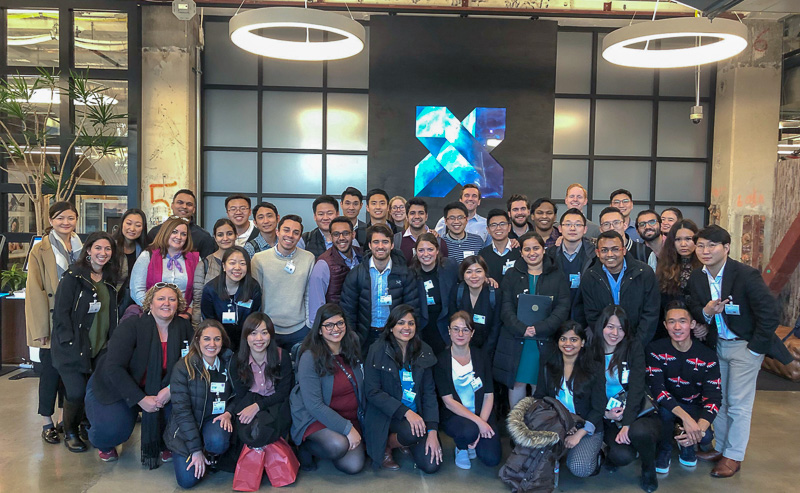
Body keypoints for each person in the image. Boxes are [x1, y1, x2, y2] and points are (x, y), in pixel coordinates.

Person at [687, 225, 792, 478]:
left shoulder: (745, 274)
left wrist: (755, 349)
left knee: (739, 404)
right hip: (717, 346)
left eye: (712, 245)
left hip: (745, 345)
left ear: (726, 248)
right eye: (700, 245)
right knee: (718, 401)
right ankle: (721, 448)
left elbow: (769, 313)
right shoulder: (697, 277)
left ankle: (734, 456)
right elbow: (694, 307)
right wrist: (706, 313)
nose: (705, 250)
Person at [85, 283, 193, 465]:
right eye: (160, 299)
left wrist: (170, 389)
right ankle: (103, 441)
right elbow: (113, 368)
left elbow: (190, 364)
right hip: (117, 387)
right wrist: (141, 399)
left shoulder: (184, 328)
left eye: (172, 299)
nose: (166, 303)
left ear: (178, 304)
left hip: (162, 389)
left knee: (181, 414)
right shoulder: (131, 326)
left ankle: (165, 443)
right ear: (150, 304)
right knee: (114, 429)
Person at [51, 231, 120, 452]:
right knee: (76, 391)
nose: (103, 253)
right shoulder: (74, 277)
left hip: (98, 346)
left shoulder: (109, 277)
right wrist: (68, 341)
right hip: (72, 346)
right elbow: (60, 313)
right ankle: (69, 431)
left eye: (107, 249)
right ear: (88, 250)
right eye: (98, 248)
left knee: (91, 390)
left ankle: (83, 426)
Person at [26, 201, 82, 444]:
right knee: (49, 375)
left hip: (76, 320)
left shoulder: (81, 246)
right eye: (60, 218)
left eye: (70, 218)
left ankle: (64, 419)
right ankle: (47, 422)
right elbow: (34, 291)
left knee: (70, 375)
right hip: (51, 322)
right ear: (51, 221)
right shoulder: (40, 250)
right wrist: (40, 329)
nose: (65, 222)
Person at [495, 232, 571, 408]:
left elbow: (562, 307)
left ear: (543, 249)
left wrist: (540, 328)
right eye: (527, 249)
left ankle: (538, 427)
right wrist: (522, 328)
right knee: (517, 384)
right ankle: (517, 429)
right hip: (518, 339)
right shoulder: (512, 274)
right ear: (521, 252)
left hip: (545, 339)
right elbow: (505, 306)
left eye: (536, 248)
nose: (532, 253)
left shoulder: (557, 274)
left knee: (541, 384)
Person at [364, 305, 442, 473]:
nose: (406, 328)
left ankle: (403, 440)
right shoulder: (377, 350)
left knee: (431, 465)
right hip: (386, 414)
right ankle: (388, 445)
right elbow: (372, 392)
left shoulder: (424, 351)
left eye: (411, 323)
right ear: (391, 327)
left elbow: (429, 393)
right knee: (412, 433)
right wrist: (406, 412)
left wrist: (433, 431)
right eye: (401, 323)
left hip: (416, 415)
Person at [646, 301, 721, 476]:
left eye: (683, 321)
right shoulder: (655, 350)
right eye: (671, 322)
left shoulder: (708, 356)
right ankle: (664, 448)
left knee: (706, 437)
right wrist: (686, 420)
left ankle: (687, 443)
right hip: (666, 405)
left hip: (693, 405)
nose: (677, 327)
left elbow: (714, 397)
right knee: (664, 412)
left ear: (692, 324)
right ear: (665, 325)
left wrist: (698, 428)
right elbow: (658, 390)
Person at [291, 304, 366, 474]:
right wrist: (347, 429)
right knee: (338, 445)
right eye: (329, 325)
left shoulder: (352, 345)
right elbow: (314, 405)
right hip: (317, 418)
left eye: (340, 323)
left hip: (350, 416)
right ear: (319, 330)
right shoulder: (310, 357)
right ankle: (306, 447)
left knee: (354, 466)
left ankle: (334, 442)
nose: (336, 329)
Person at [594, 305, 660, 493]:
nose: (615, 333)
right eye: (610, 326)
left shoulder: (633, 347)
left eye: (621, 328)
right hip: (609, 415)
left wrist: (627, 423)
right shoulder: (592, 350)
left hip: (637, 411)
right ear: (601, 326)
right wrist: (606, 415)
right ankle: (611, 451)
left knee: (640, 432)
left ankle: (649, 468)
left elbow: (637, 387)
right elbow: (589, 392)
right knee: (621, 456)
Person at [165, 320, 235, 489]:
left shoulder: (229, 362)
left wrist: (229, 412)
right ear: (197, 340)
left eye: (217, 339)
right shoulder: (183, 367)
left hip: (215, 419)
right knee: (187, 481)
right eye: (207, 339)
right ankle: (200, 451)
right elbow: (182, 412)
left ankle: (210, 452)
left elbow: (237, 395)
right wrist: (195, 450)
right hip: (187, 426)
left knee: (218, 441)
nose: (212, 344)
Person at [534, 321, 606, 478]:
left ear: (583, 342)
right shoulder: (548, 364)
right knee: (531, 454)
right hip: (556, 421)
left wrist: (579, 433)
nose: (568, 344)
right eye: (563, 339)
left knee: (580, 467)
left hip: (585, 425)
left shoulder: (594, 368)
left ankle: (596, 454)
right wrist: (557, 422)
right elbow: (540, 396)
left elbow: (599, 407)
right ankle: (562, 453)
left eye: (574, 339)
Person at [434, 311, 501, 470]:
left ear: (472, 333)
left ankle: (474, 440)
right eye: (456, 329)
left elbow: (489, 394)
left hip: (482, 412)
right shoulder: (441, 360)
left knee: (492, 458)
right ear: (449, 331)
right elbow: (448, 402)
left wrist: (483, 422)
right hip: (456, 415)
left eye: (465, 329)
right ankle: (461, 447)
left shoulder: (481, 356)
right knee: (468, 431)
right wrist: (479, 425)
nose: (460, 334)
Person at [340, 224, 420, 353]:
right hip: (365, 337)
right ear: (370, 245)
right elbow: (348, 311)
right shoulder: (356, 274)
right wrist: (354, 338)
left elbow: (413, 309)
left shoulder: (405, 274)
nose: (381, 246)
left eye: (385, 242)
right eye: (376, 242)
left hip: (396, 336)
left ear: (392, 245)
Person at [577, 231, 660, 346]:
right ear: (597, 253)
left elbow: (651, 313)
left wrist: (637, 344)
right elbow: (592, 316)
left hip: (640, 343)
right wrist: (608, 342)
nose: (610, 254)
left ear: (624, 250)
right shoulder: (590, 277)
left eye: (615, 249)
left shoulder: (644, 273)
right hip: (605, 344)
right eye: (604, 250)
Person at [229, 313, 294, 451]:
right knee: (249, 430)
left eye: (264, 333)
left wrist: (258, 406)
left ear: (271, 335)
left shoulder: (282, 357)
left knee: (265, 427)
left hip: (276, 402)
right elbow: (241, 394)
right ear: (246, 336)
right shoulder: (237, 360)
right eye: (253, 333)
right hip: (248, 401)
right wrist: (252, 408)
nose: (259, 338)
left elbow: (283, 392)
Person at [252, 215, 315, 351]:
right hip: (268, 328)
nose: (290, 235)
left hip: (300, 329)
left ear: (299, 237)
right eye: (286, 230)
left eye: (296, 232)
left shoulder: (308, 258)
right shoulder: (259, 259)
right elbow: (256, 296)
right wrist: (260, 326)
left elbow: (309, 294)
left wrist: (308, 324)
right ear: (278, 232)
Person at [130, 216, 199, 319]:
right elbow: (136, 290)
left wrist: (189, 312)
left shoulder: (195, 259)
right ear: (166, 233)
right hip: (152, 316)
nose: (179, 237)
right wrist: (156, 310)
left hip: (183, 317)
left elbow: (198, 291)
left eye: (183, 234)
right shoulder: (147, 256)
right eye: (174, 232)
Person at [200, 246, 262, 351]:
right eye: (232, 263)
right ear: (223, 266)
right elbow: (209, 322)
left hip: (246, 342)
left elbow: (255, 319)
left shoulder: (253, 287)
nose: (237, 267)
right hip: (218, 343)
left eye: (242, 263)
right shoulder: (210, 289)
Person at [308, 216, 364, 325]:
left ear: (353, 235)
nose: (341, 238)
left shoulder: (362, 256)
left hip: (360, 324)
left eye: (346, 233)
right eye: (336, 234)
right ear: (331, 236)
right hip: (336, 327)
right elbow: (316, 307)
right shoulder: (323, 264)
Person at [655, 219, 702, 341]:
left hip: (699, 329)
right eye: (678, 239)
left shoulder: (705, 267)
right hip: (669, 328)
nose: (683, 244)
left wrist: (703, 324)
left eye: (688, 239)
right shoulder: (664, 267)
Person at [413, 233, 459, 355]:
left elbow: (469, 277)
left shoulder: (450, 267)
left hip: (445, 328)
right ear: (416, 252)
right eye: (421, 250)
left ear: (437, 250)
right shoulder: (411, 274)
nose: (426, 254)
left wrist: (486, 278)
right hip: (422, 330)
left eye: (430, 249)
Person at [545, 208, 596, 319]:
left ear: (585, 229)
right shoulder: (549, 256)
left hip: (586, 319)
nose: (572, 228)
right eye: (568, 224)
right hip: (555, 319)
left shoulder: (595, 256)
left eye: (578, 225)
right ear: (560, 228)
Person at [449, 256, 501, 357]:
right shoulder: (457, 292)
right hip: (461, 350)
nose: (474, 276)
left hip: (488, 351)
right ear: (463, 274)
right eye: (468, 272)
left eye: (478, 271)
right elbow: (452, 322)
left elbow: (496, 327)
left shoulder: (495, 294)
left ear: (485, 273)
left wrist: (484, 354)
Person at [192, 219, 237, 326]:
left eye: (229, 234)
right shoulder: (204, 264)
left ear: (236, 235)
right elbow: (198, 301)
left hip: (238, 326)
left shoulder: (243, 262)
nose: (225, 238)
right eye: (220, 235)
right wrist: (197, 327)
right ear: (215, 238)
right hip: (211, 325)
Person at [147, 189, 216, 258]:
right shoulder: (155, 232)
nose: (184, 206)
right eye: (180, 202)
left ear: (194, 209)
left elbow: (206, 265)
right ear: (172, 205)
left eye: (189, 204)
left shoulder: (203, 237)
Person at [392, 197, 448, 265]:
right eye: (412, 213)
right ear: (407, 217)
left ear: (426, 216)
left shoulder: (439, 242)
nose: (417, 216)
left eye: (421, 213)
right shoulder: (396, 240)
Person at [114, 208, 149, 313]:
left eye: (138, 225)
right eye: (128, 223)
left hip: (133, 304)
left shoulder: (145, 251)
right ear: (122, 224)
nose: (132, 228)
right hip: (112, 300)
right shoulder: (110, 246)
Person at [478, 209, 521, 283]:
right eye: (493, 225)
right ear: (488, 229)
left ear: (509, 227)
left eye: (502, 224)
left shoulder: (519, 251)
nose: (498, 228)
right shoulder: (483, 254)